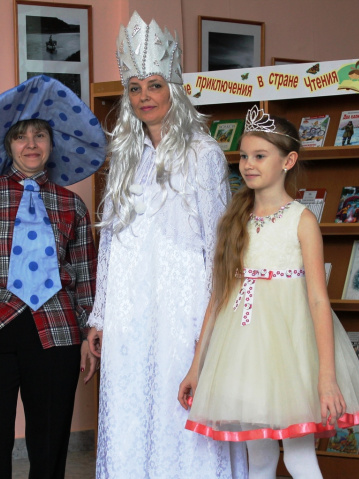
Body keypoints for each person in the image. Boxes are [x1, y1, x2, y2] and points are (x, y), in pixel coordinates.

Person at [178, 106, 359, 479]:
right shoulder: (234, 220)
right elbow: (218, 300)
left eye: (259, 156)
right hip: (242, 352)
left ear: (288, 161)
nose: (248, 164)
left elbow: (318, 300)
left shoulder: (301, 220)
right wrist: (196, 367)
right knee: (259, 461)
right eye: (243, 156)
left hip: (292, 354)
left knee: (299, 459)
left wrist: (327, 377)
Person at [86, 11, 247, 479]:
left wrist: (212, 325)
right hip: (129, 309)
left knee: (181, 411)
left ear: (173, 89)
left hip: (184, 308)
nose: (144, 97)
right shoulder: (124, 158)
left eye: (154, 85)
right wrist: (100, 315)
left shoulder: (205, 154)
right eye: (135, 88)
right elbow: (110, 242)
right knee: (131, 407)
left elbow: (219, 247)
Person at [0, 75, 106, 479]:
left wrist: (87, 331)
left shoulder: (72, 205)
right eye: (21, 136)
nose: (31, 144)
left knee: (50, 440)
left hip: (55, 330)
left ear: (52, 144)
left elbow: (86, 275)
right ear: (8, 144)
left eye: (40, 135)